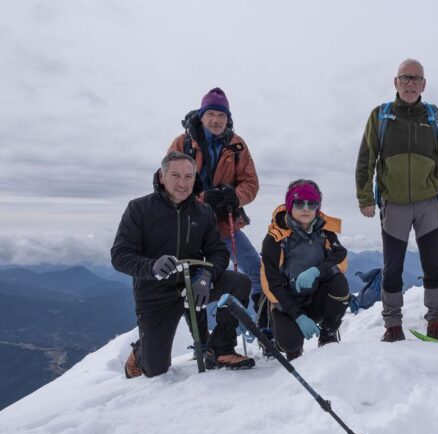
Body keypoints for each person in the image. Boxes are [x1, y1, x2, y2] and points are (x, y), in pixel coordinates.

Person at [112, 152, 255, 378]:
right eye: (175, 175)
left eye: (189, 177)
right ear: (162, 176)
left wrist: (207, 275)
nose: (182, 183)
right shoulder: (139, 209)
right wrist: (151, 267)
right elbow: (120, 255)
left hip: (195, 284)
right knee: (155, 369)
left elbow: (217, 251)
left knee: (240, 283)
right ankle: (142, 352)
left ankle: (220, 347)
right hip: (156, 293)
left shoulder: (203, 212)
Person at [355, 58, 438, 342]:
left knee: (432, 265)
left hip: (429, 202)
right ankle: (392, 324)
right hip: (394, 203)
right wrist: (365, 196)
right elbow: (366, 157)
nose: (410, 83)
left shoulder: (435, 117)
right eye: (405, 78)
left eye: (416, 79)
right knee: (392, 267)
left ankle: (436, 320)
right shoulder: (381, 116)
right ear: (396, 82)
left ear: (424, 84)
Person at [167, 88, 264, 317]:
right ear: (201, 116)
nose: (216, 120)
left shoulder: (236, 145)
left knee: (256, 270)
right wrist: (202, 198)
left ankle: (264, 325)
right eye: (211, 113)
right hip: (188, 223)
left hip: (223, 222)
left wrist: (236, 196)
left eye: (222, 115)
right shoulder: (183, 144)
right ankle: (199, 338)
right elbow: (169, 184)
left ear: (228, 119)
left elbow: (250, 182)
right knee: (190, 280)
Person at [260, 180, 350, 360]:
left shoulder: (325, 232)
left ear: (318, 206)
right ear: (289, 205)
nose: (306, 208)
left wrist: (317, 271)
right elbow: (272, 285)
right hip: (287, 303)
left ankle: (328, 334)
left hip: (316, 298)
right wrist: (298, 316)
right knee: (290, 344)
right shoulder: (275, 240)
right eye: (299, 203)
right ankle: (286, 338)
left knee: (339, 283)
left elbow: (340, 259)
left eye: (312, 203)